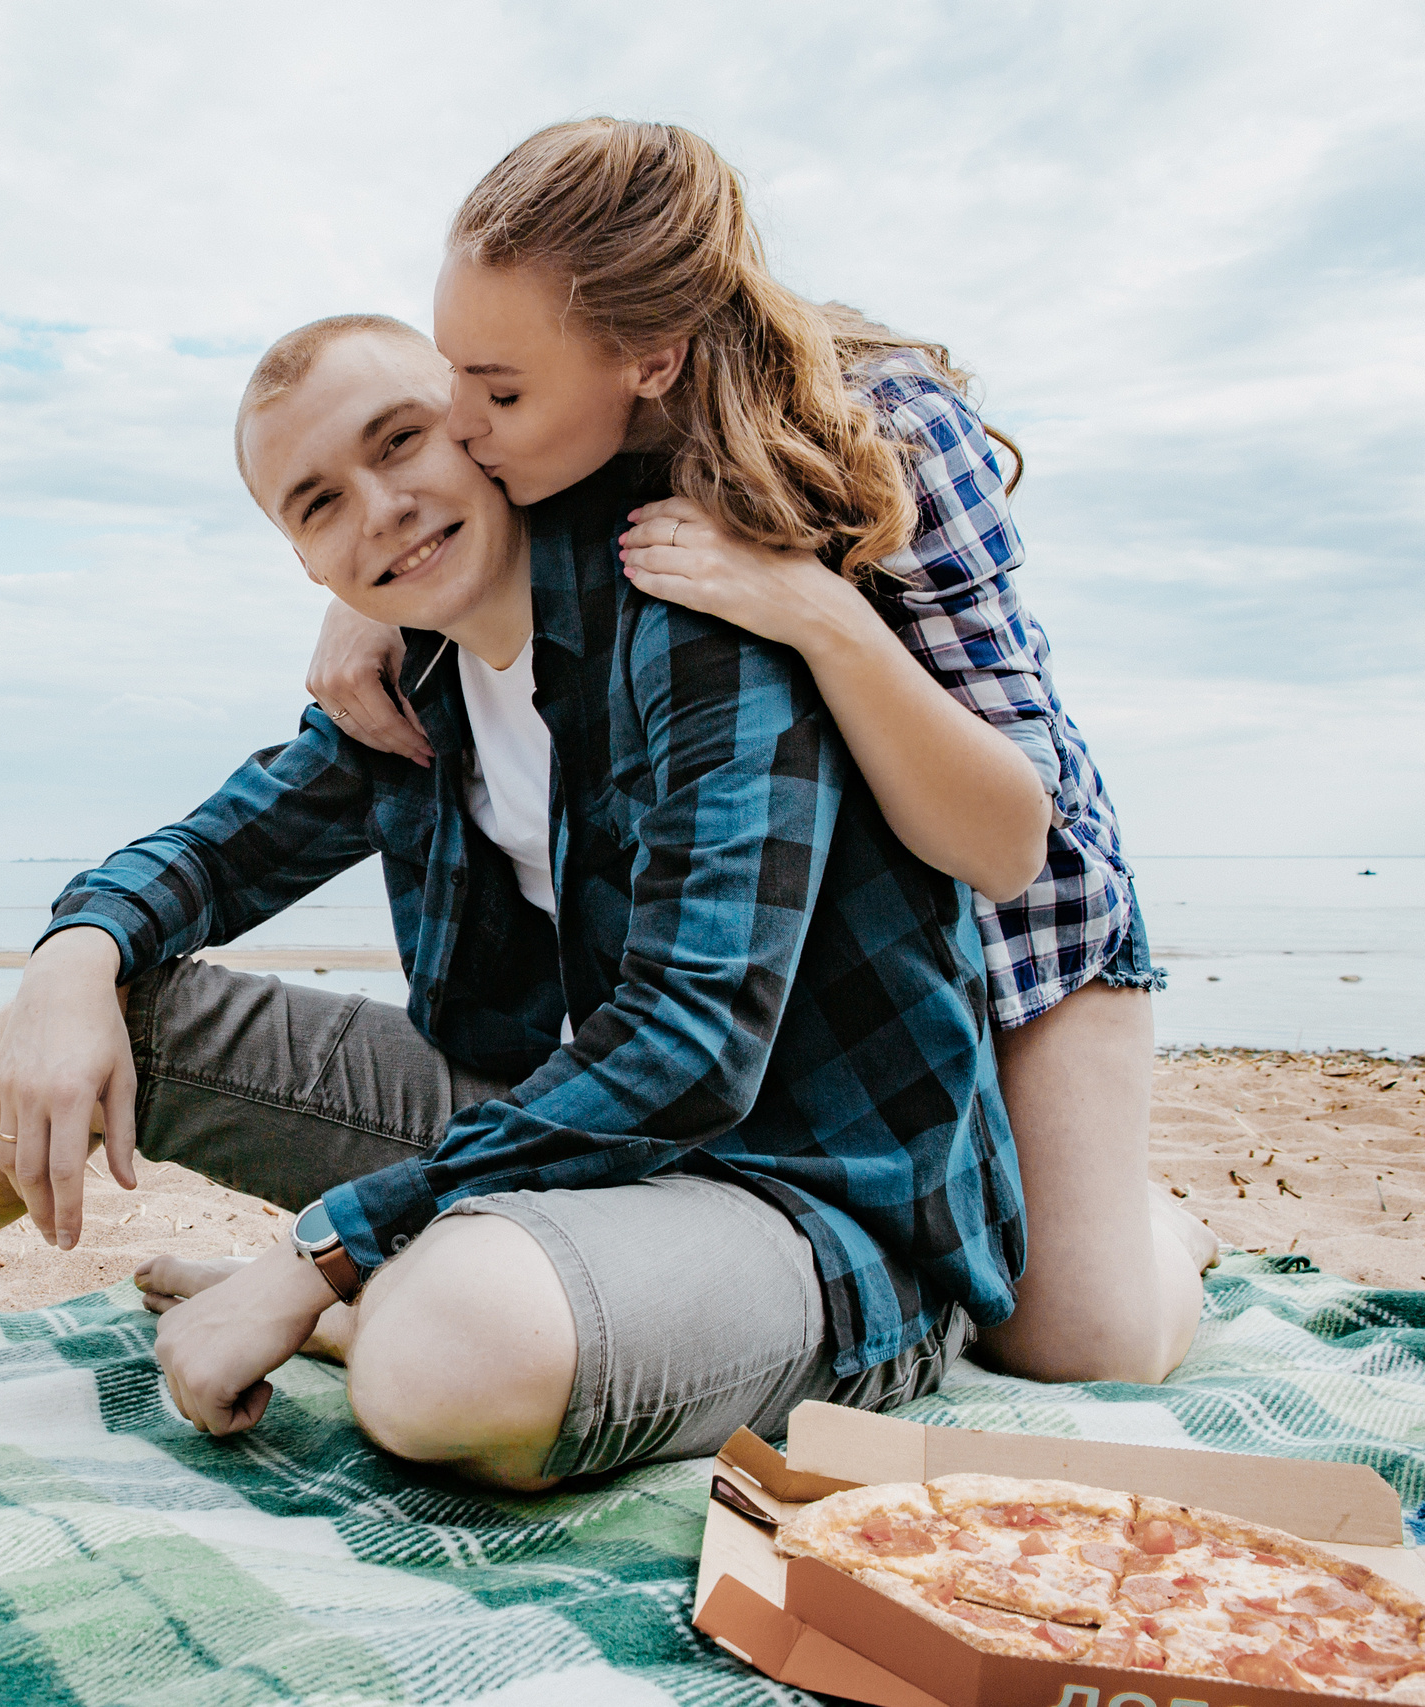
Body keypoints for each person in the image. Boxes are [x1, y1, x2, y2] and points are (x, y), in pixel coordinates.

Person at [0, 310, 1024, 1491]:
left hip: (810, 1210)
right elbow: (208, 849)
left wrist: (322, 1251)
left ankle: (384, 1304)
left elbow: (690, 1049)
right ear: (303, 560)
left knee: (438, 1359)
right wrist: (74, 956)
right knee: (111, 1010)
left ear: (485, 425)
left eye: (401, 441)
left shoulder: (684, 605)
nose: (378, 508)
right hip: (560, 1134)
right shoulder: (416, 682)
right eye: (317, 501)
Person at [303, 119, 1208, 1385]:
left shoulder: (889, 425)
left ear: (652, 359)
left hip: (1016, 929)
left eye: (496, 395)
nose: (462, 424)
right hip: (839, 962)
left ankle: (1161, 1223)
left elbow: (1009, 844)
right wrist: (371, 605)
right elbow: (435, 525)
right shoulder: (564, 429)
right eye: (455, 374)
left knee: (1077, 1338)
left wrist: (821, 614)